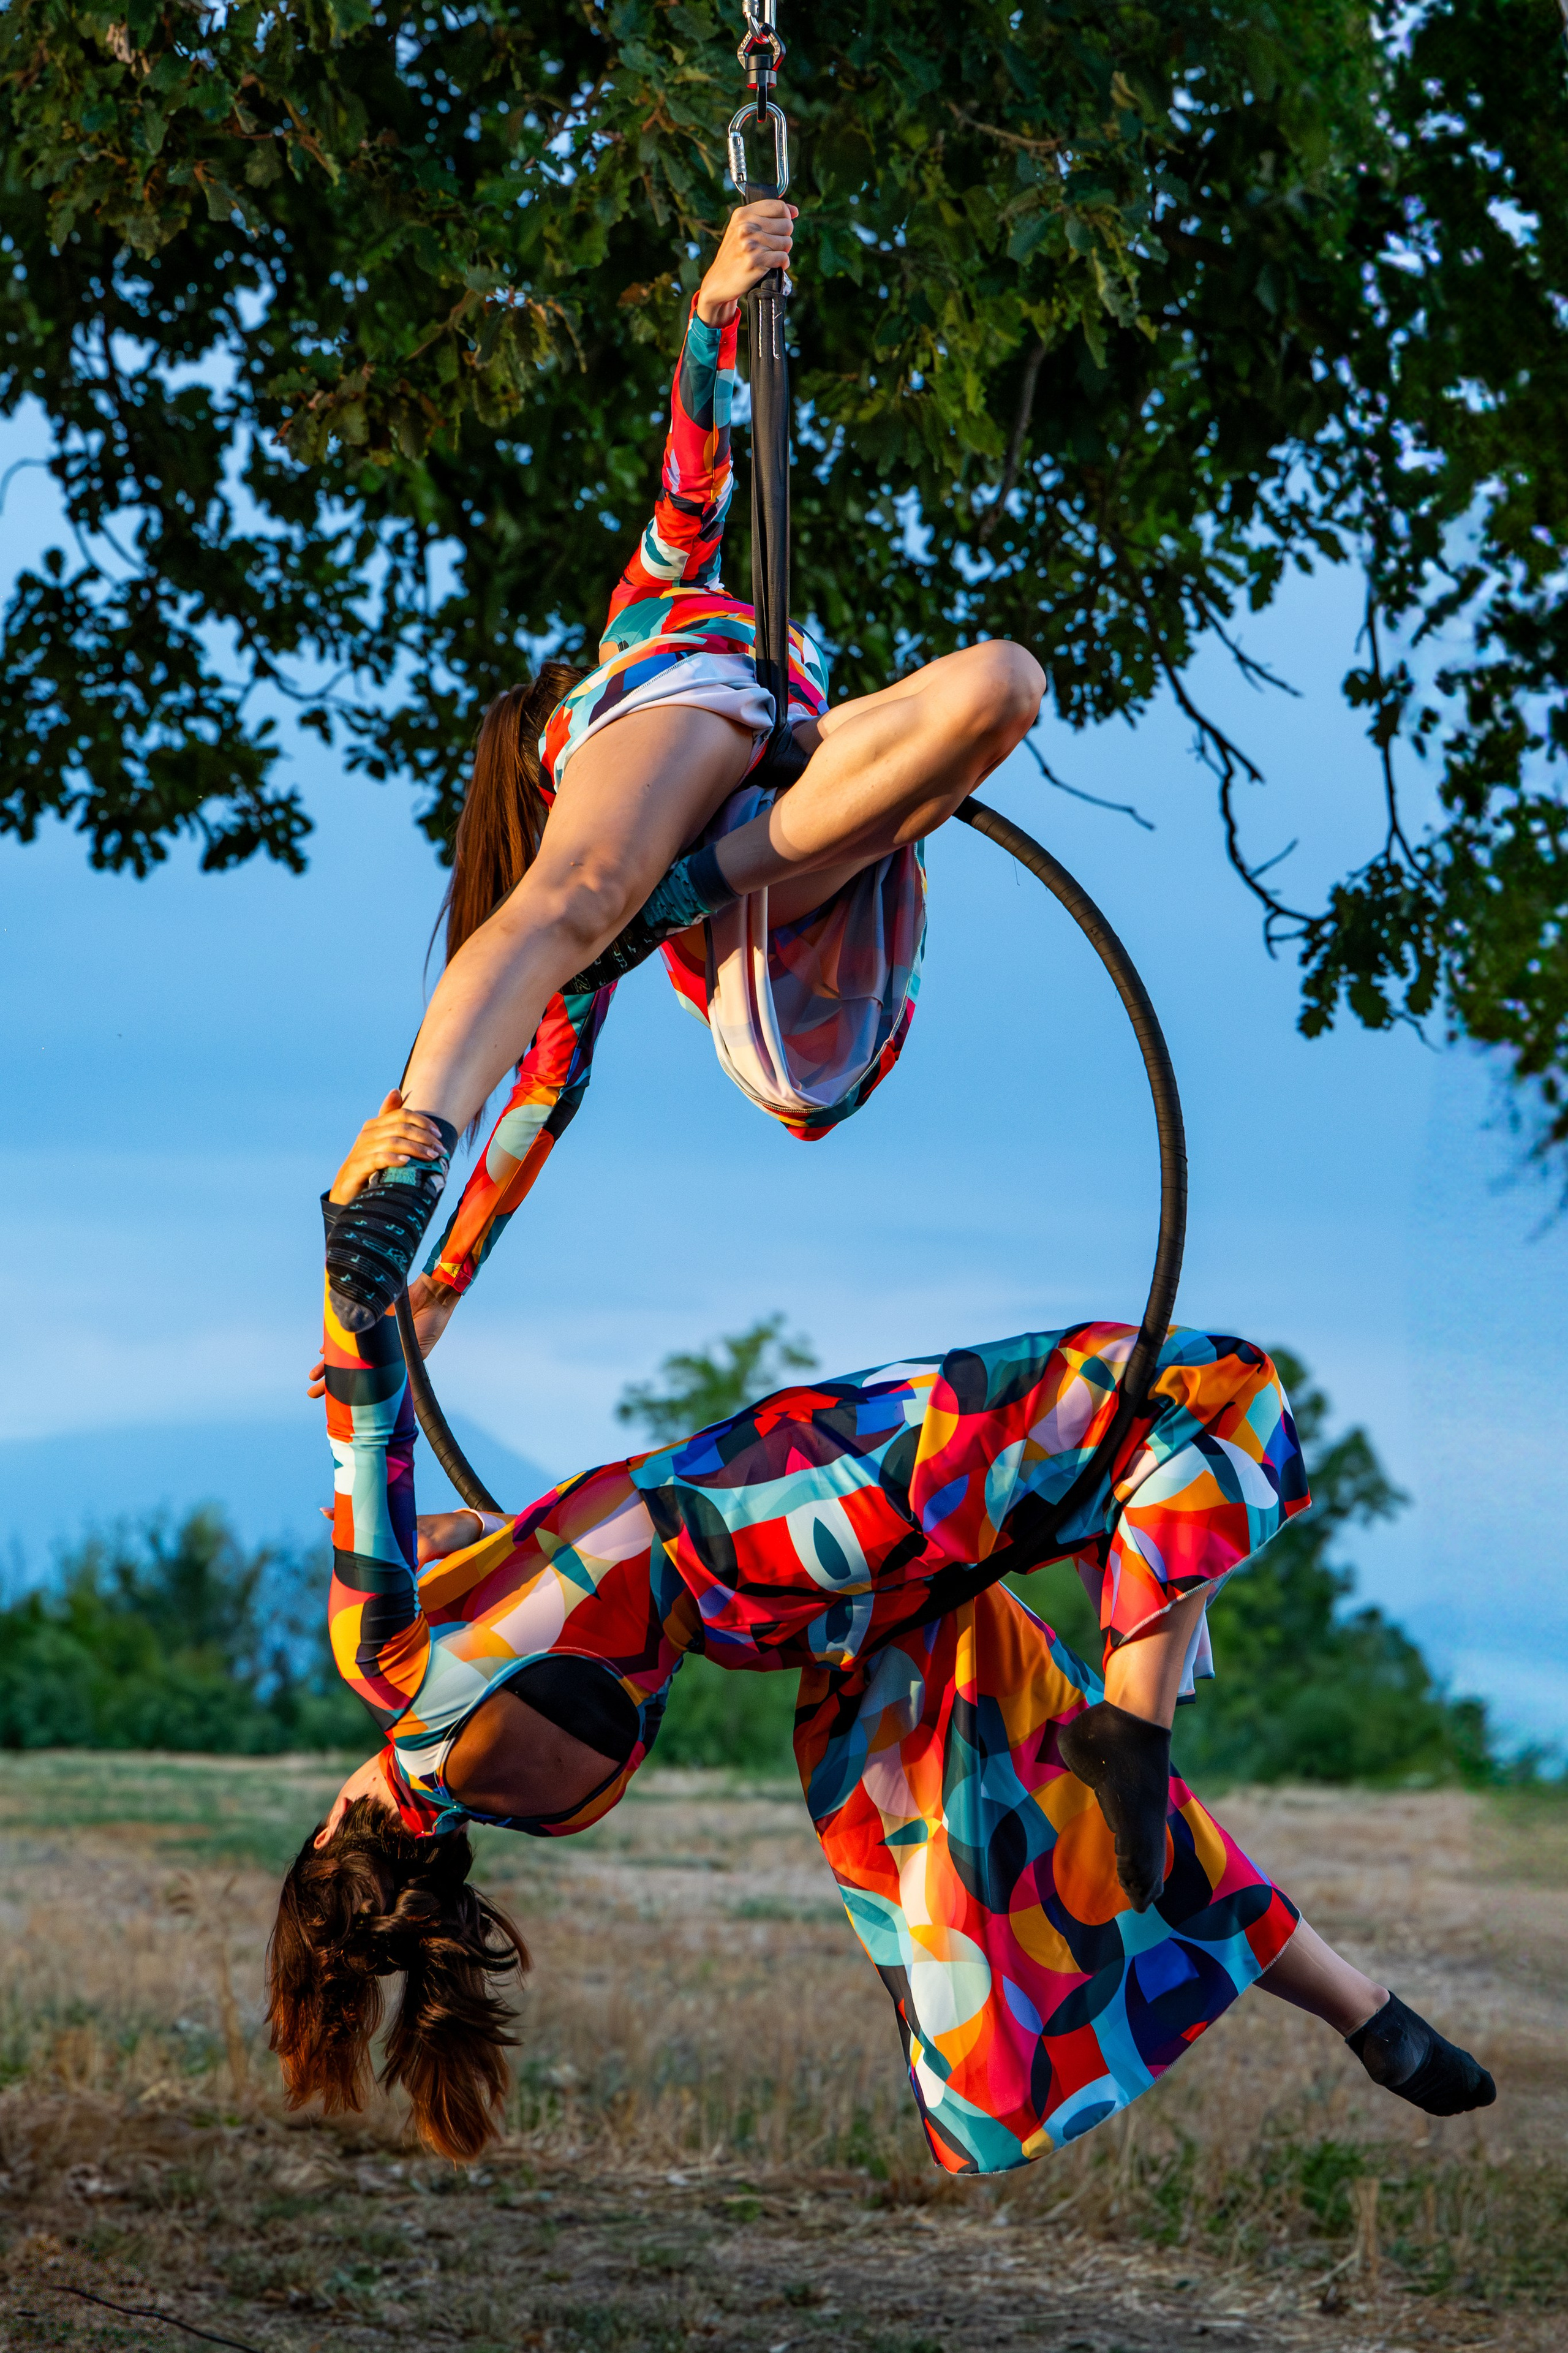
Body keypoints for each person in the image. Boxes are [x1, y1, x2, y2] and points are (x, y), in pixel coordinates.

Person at [271, 1231, 1497, 2168]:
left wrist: (480, 1538)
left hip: (789, 1621)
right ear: (335, 1827)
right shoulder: (387, 1666)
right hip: (762, 1508)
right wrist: (374, 1263)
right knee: (1193, 1390)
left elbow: (577, 1613)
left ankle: (1368, 2013)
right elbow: (365, 1421)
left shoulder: (541, 1795)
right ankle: (1134, 1717)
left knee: (1054, 1788)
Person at [320, 195, 1047, 1347]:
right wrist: (436, 1269)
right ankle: (406, 1153)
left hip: (779, 832)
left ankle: (678, 894)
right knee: (578, 901)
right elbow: (688, 489)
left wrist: (712, 318)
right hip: (708, 740)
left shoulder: (668, 633)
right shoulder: (640, 639)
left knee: (1003, 685)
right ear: (557, 741)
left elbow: (552, 1099)